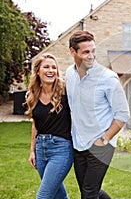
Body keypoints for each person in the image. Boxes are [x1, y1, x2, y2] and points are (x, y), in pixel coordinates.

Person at [65, 30, 130, 199]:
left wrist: (104, 139)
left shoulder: (108, 78)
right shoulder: (70, 74)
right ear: (73, 52)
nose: (91, 56)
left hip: (101, 145)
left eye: (93, 51)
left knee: (89, 194)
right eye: (86, 52)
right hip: (79, 143)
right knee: (90, 191)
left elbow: (123, 114)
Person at [26, 53, 73, 199]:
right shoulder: (31, 95)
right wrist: (32, 151)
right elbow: (35, 124)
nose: (50, 70)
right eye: (46, 67)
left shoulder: (65, 91)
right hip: (41, 149)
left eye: (54, 67)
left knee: (43, 196)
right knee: (58, 195)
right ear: (38, 71)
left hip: (61, 149)